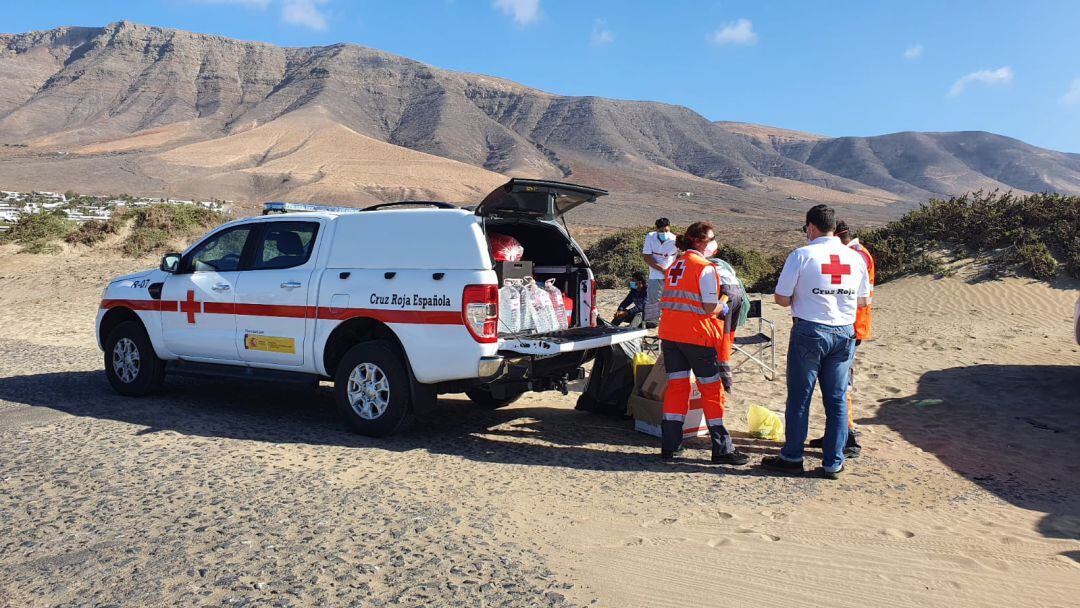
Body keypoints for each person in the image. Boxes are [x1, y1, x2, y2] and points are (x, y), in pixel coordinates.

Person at [762, 205, 870, 479]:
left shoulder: (802, 255)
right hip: (845, 332)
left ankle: (792, 456)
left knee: (800, 396)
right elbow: (864, 301)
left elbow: (781, 298)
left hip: (810, 330)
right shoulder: (855, 258)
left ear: (811, 226)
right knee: (836, 399)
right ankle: (833, 462)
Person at [658, 221, 749, 465]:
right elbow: (710, 306)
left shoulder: (673, 266)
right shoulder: (705, 268)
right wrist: (725, 303)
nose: (713, 243)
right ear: (699, 241)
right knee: (711, 389)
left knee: (676, 388)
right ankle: (722, 449)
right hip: (697, 337)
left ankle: (670, 446)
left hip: (670, 336)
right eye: (711, 238)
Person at [807, 220, 874, 457]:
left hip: (849, 326)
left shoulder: (855, 256)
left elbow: (858, 296)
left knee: (841, 385)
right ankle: (835, 434)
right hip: (847, 324)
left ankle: (848, 436)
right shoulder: (856, 254)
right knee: (837, 384)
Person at [642, 218, 678, 327]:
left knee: (672, 300)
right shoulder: (650, 237)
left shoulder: (674, 239)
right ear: (656, 229)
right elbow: (647, 257)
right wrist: (663, 270)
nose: (664, 233)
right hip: (655, 274)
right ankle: (652, 322)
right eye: (661, 231)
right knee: (653, 299)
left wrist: (670, 272)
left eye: (666, 231)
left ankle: (671, 321)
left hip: (672, 276)